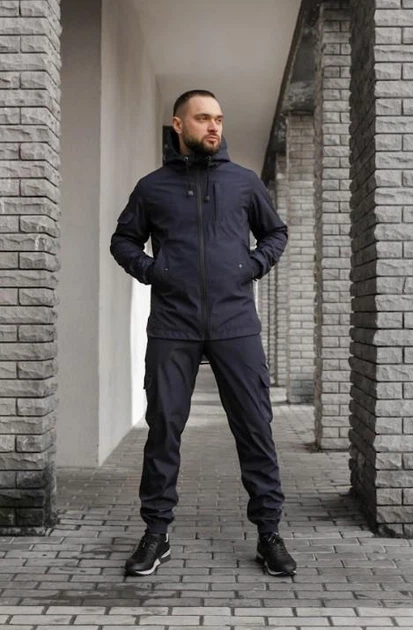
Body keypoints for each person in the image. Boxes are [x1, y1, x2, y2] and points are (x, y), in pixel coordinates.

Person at [110, 90, 296, 578]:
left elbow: (276, 233)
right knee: (164, 428)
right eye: (202, 118)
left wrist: (251, 267)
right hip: (173, 324)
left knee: (255, 428)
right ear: (179, 124)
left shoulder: (244, 183)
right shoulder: (153, 188)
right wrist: (155, 272)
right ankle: (156, 532)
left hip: (236, 324)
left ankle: (269, 533)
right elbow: (123, 240)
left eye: (218, 119)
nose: (214, 126)